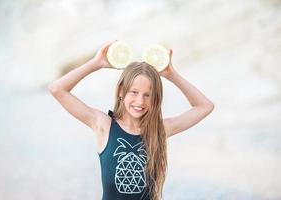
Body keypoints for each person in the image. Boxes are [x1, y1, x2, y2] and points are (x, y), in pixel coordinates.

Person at [49, 41, 215, 200]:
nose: (140, 101)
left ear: (155, 99)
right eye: (134, 92)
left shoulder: (159, 130)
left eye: (147, 95)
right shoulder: (104, 125)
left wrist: (172, 75)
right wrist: (95, 64)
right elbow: (57, 89)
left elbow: (205, 106)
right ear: (121, 91)